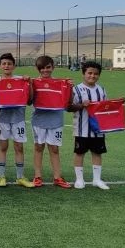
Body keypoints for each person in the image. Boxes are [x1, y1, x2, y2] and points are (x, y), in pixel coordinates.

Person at [68, 61, 125, 189]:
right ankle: (79, 180)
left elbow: (105, 107)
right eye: (89, 73)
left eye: (96, 74)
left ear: (99, 75)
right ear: (83, 73)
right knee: (79, 153)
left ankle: (97, 180)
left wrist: (119, 102)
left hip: (98, 129)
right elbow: (69, 107)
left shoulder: (101, 90)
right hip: (82, 129)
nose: (92, 76)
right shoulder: (76, 89)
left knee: (97, 153)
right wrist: (82, 105)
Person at [0, 53, 34, 188]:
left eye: (9, 64)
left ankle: (20, 177)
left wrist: (29, 83)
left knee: (19, 147)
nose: (6, 66)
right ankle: (1, 176)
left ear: (14, 66)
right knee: (3, 146)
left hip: (18, 119)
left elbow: (29, 99)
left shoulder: (21, 80)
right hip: (2, 119)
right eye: (4, 64)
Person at [31, 55, 72, 189]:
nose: (45, 70)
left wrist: (69, 87)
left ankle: (57, 177)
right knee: (38, 147)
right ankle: (37, 176)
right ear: (38, 69)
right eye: (42, 68)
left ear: (53, 67)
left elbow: (68, 102)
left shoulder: (61, 83)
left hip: (56, 120)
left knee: (54, 149)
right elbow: (28, 99)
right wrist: (27, 84)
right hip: (39, 120)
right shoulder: (33, 82)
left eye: (48, 67)